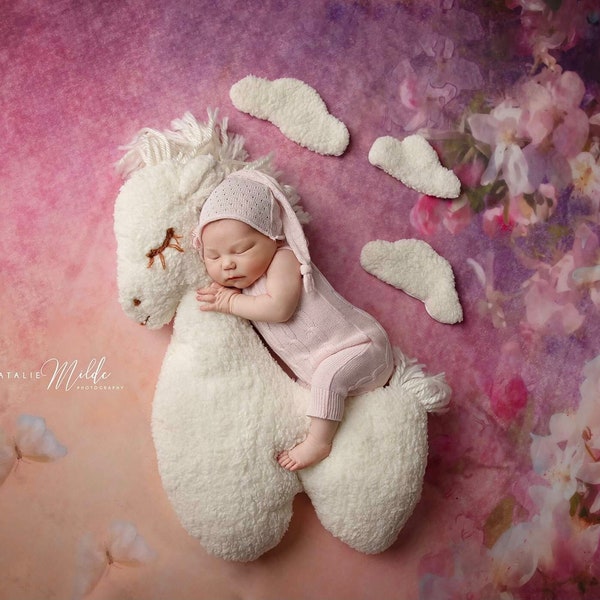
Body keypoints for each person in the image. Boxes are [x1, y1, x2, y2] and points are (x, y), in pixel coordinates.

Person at [193, 169, 394, 471]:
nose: (228, 263)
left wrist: (230, 301)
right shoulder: (244, 283)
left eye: (242, 249)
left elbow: (279, 309)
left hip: (362, 348)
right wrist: (224, 294)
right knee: (310, 391)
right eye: (213, 256)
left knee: (328, 376)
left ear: (274, 237)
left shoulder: (284, 259)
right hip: (323, 364)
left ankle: (319, 443)